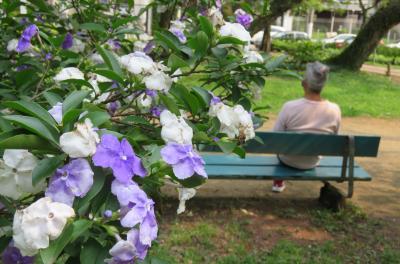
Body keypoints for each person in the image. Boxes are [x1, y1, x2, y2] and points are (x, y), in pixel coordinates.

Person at [272, 61, 341, 192]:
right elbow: (335, 138)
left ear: (304, 83)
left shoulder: (289, 107)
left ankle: (278, 182)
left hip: (287, 160)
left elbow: (276, 138)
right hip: (313, 161)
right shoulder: (334, 109)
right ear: (323, 85)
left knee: (280, 146)